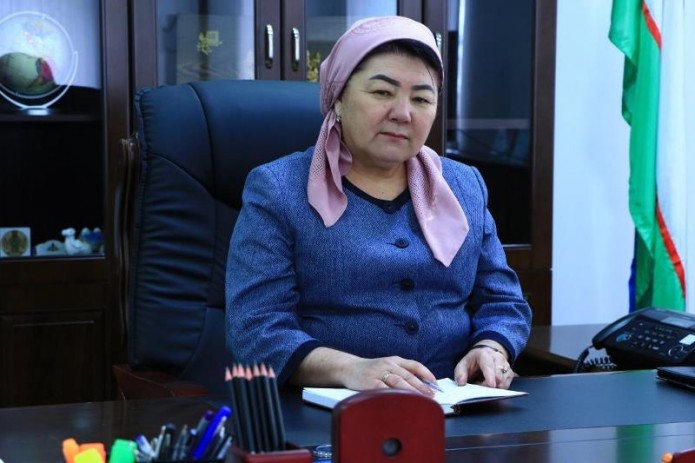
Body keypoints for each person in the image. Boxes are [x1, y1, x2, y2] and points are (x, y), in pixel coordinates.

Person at [226, 16, 531, 397]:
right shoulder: (279, 189)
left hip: (455, 402)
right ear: (338, 98)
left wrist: (491, 347)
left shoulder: (464, 185)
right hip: (333, 408)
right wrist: (351, 369)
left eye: (421, 99)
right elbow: (255, 329)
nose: (403, 113)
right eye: (383, 92)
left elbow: (503, 300)